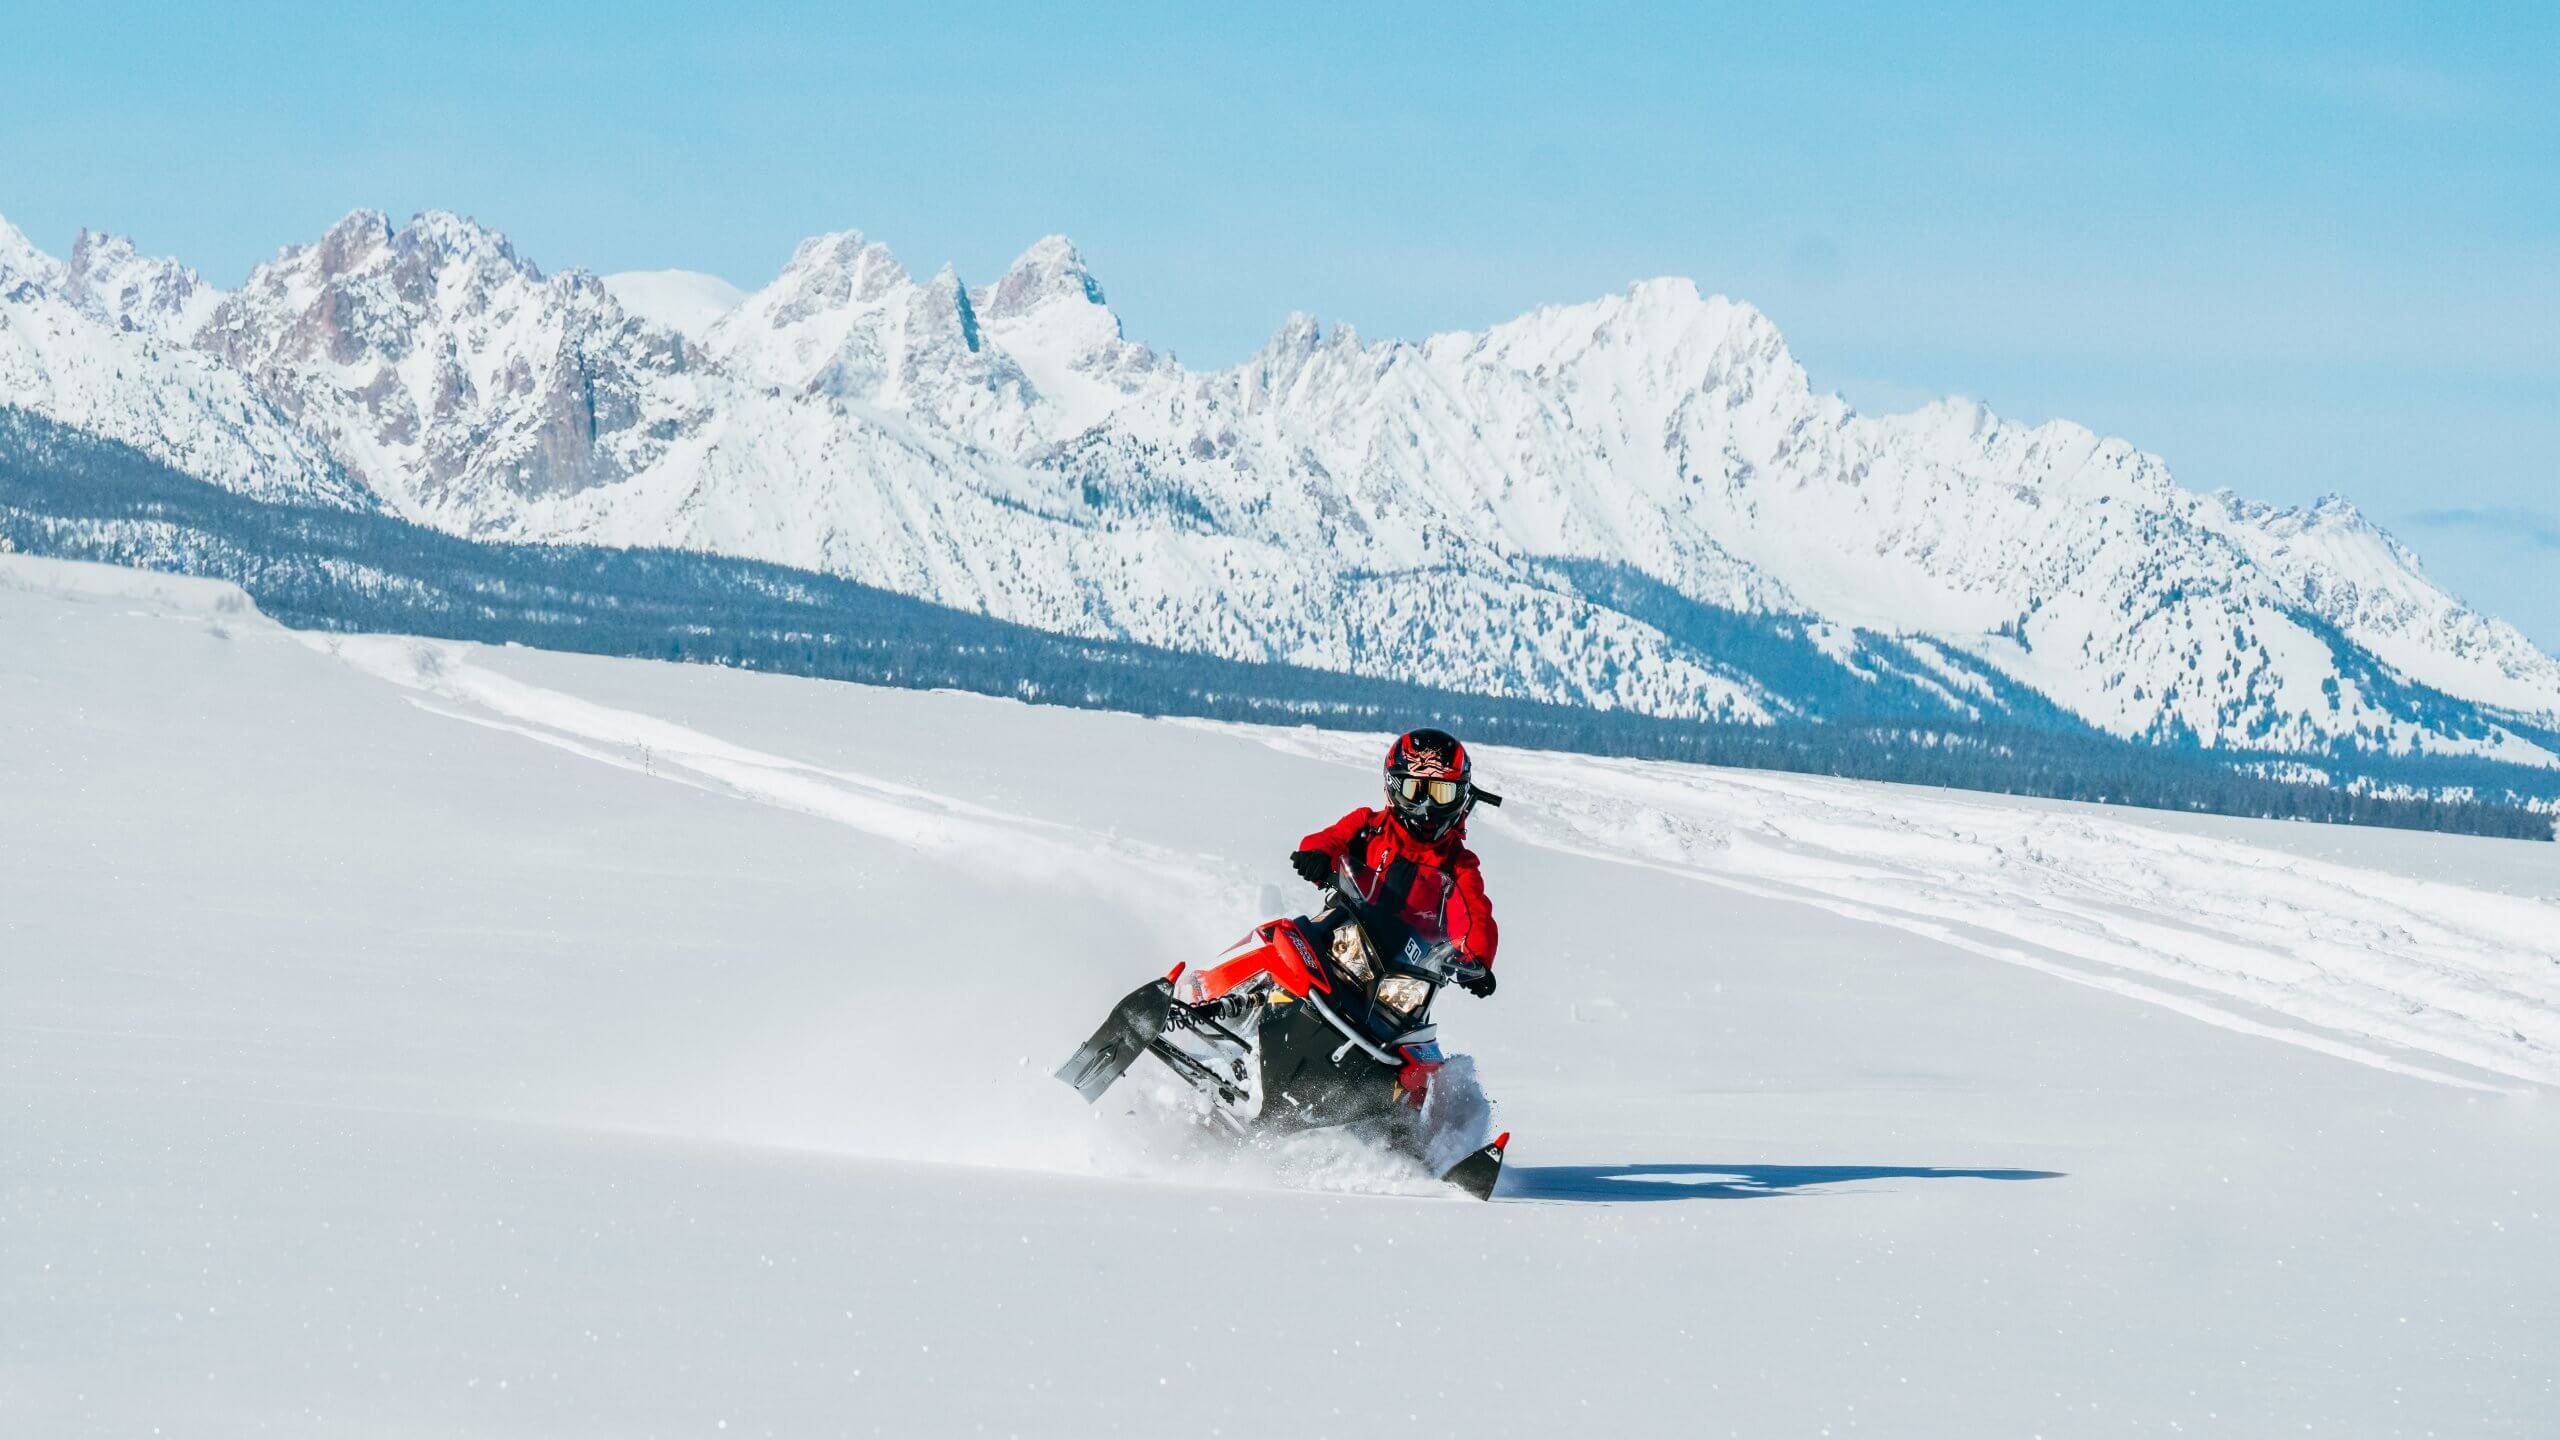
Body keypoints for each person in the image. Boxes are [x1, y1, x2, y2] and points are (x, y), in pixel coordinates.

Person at [1289, 728, 1499, 997]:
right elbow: (1330, 839)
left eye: (1441, 793)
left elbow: (1475, 914)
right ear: (1395, 786)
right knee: (1289, 941)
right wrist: (1316, 856)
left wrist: (1477, 959)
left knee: (1413, 1033)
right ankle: (1235, 995)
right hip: (1343, 935)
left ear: (1459, 795)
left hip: (1404, 974)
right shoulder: (1369, 825)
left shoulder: (1459, 865)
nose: (1427, 806)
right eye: (1415, 791)